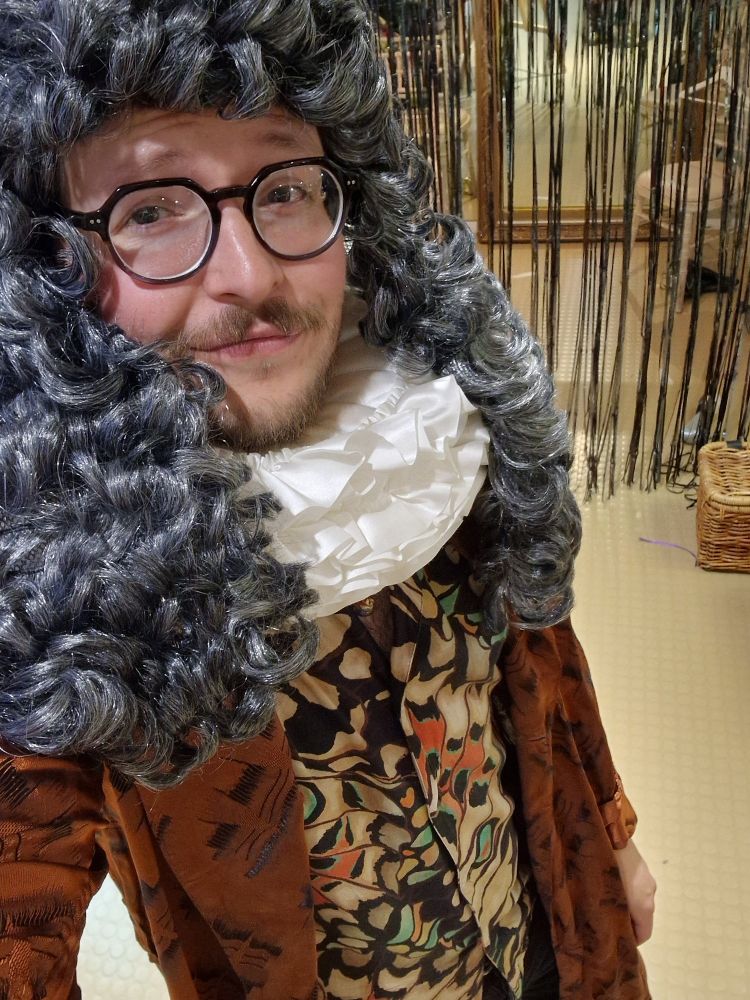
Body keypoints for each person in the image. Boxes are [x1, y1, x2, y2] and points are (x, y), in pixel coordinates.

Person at [0, 2, 656, 998]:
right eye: (150, 210)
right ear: (53, 269)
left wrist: (613, 832)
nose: (250, 274)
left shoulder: (437, 409)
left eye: (286, 189)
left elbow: (543, 649)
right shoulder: (60, 581)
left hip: (551, 949)